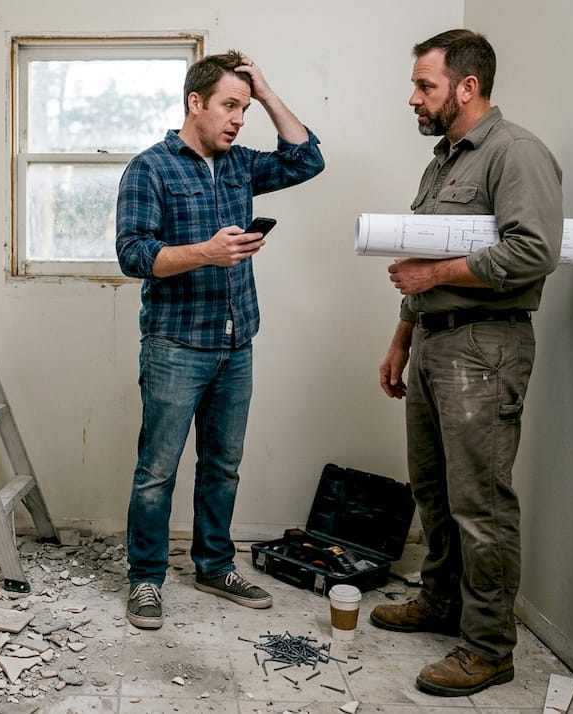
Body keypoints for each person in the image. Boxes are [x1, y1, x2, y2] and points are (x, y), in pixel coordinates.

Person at [370, 29, 563, 696]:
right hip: (433, 343)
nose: (413, 98)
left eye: (425, 86)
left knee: (480, 503)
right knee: (434, 489)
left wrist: (439, 275)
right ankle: (440, 600)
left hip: (488, 346)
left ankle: (487, 647)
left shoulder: (516, 154)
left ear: (467, 86)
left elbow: (533, 251)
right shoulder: (443, 162)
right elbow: (418, 265)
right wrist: (401, 340)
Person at [115, 50, 325, 630]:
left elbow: (307, 158)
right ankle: (146, 579)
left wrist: (265, 88)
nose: (238, 119)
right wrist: (207, 252)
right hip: (175, 345)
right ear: (194, 103)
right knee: (157, 471)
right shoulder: (150, 168)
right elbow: (132, 254)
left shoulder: (240, 165)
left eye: (245, 108)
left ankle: (213, 565)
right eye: (229, 106)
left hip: (237, 343)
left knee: (223, 465)